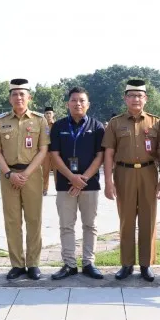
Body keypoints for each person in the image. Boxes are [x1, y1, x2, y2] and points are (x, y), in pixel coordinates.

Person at [102, 79, 160, 282]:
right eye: (131, 95)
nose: (135, 99)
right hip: (123, 173)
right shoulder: (115, 123)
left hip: (149, 173)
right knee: (126, 220)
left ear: (145, 99)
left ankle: (146, 265)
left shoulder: (156, 122)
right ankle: (127, 264)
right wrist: (108, 182)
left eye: (139, 95)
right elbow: (109, 154)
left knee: (148, 220)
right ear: (125, 98)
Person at [0, 79, 49, 280]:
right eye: (14, 94)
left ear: (29, 97)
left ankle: (33, 263)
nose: (18, 98)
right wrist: (8, 173)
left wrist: (25, 174)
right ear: (10, 98)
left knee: (34, 220)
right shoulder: (0, 121)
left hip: (31, 175)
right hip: (8, 176)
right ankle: (17, 264)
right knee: (12, 221)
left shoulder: (39, 120)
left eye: (22, 94)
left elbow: (43, 150)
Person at [49, 87, 105, 280]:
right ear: (68, 104)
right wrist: (72, 178)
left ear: (88, 104)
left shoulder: (97, 127)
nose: (78, 104)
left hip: (90, 184)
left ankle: (89, 262)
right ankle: (69, 264)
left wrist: (83, 179)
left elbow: (100, 156)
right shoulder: (58, 126)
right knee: (66, 225)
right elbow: (54, 155)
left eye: (82, 100)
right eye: (74, 100)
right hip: (65, 184)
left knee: (90, 225)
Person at [42, 106, 57, 196]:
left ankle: (58, 188)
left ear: (53, 114)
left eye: (50, 113)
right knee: (45, 171)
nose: (48, 115)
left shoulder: (57, 125)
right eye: (47, 113)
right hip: (45, 152)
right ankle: (44, 189)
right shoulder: (42, 125)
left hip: (55, 152)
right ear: (44, 114)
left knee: (57, 171)